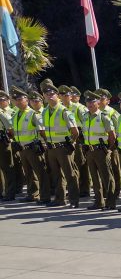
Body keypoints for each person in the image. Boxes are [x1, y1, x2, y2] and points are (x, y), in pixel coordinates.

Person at [39, 80, 79, 208]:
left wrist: (70, 143)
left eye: (52, 94)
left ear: (57, 95)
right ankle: (59, 199)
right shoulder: (45, 112)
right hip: (51, 148)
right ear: (44, 96)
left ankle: (74, 200)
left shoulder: (64, 111)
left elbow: (75, 131)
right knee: (56, 175)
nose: (49, 96)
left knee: (70, 174)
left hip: (63, 147)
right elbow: (44, 130)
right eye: (47, 94)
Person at [79, 91, 116, 210]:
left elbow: (112, 135)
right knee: (94, 178)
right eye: (88, 101)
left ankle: (111, 202)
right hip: (89, 151)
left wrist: (108, 148)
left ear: (98, 103)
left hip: (101, 150)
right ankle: (99, 201)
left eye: (92, 101)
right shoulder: (85, 116)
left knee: (107, 177)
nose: (89, 104)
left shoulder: (103, 116)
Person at [10, 87, 45, 204]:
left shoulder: (33, 114)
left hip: (32, 147)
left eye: (21, 99)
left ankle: (44, 195)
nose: (18, 102)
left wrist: (42, 145)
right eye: (16, 100)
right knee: (28, 173)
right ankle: (32, 194)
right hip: (22, 147)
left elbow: (42, 131)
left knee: (40, 171)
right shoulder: (15, 115)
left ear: (26, 100)